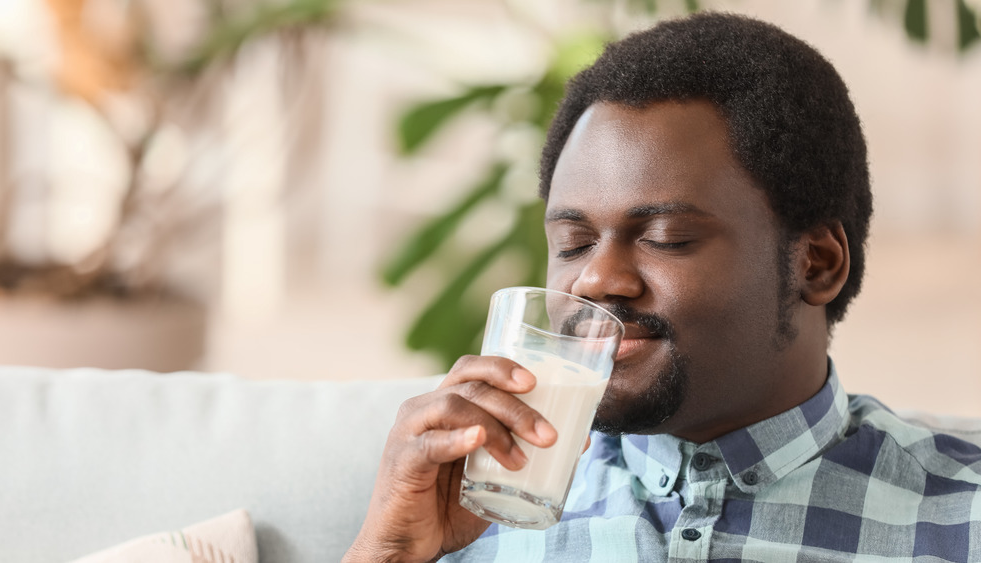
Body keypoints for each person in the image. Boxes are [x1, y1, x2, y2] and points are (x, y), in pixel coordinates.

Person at [344, 12, 981, 562]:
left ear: (815, 263)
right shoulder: (463, 508)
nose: (596, 278)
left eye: (666, 238)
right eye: (573, 244)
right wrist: (388, 552)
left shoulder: (962, 523)